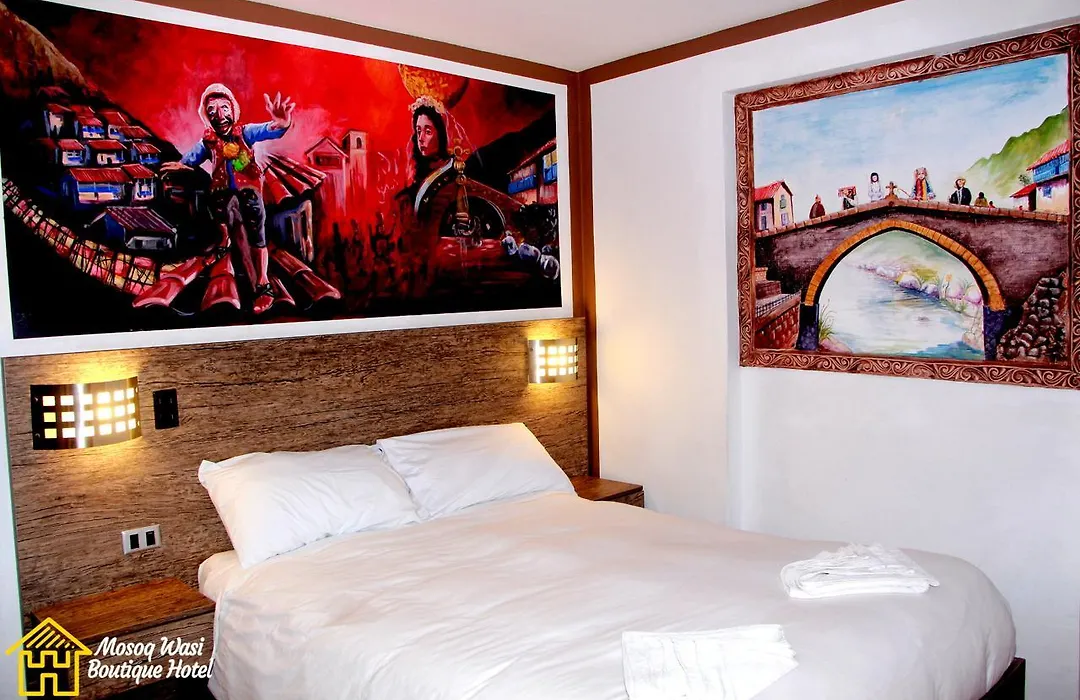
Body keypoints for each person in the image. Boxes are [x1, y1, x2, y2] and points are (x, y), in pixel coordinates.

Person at [161, 83, 295, 314]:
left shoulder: (245, 133)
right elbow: (192, 157)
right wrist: (181, 166)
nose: (219, 115)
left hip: (249, 192)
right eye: (212, 111)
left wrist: (282, 123)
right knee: (223, 209)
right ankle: (225, 238)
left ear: (233, 109)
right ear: (207, 117)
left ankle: (262, 283)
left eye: (224, 108)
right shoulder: (209, 141)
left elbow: (269, 129)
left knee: (257, 234)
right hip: (222, 195)